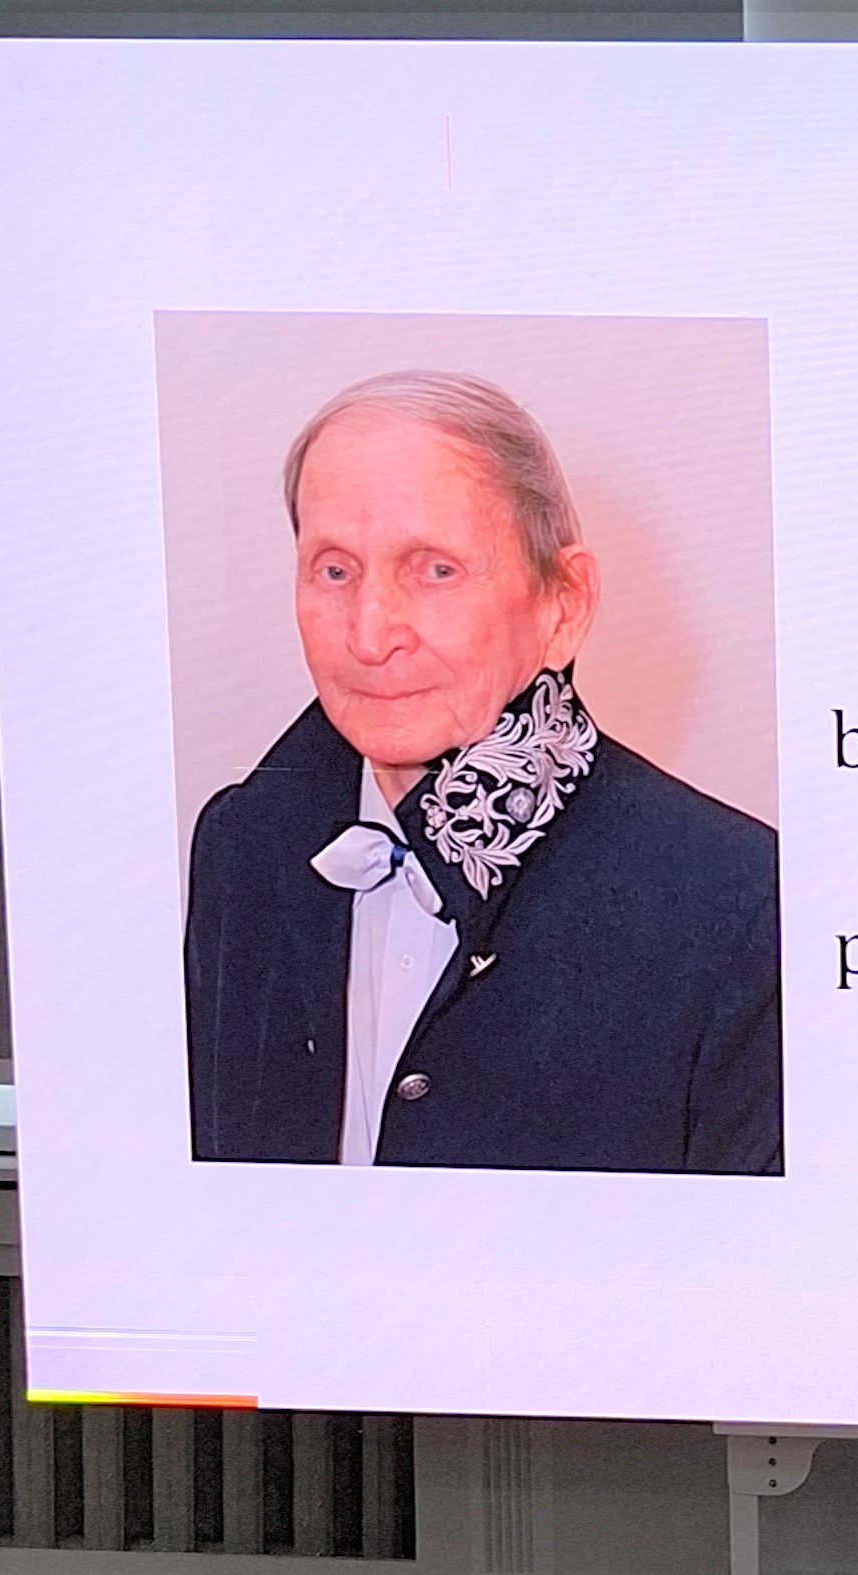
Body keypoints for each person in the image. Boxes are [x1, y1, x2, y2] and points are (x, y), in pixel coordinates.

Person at [184, 370, 781, 1174]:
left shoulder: (739, 903)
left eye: (435, 570)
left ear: (563, 605)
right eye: (335, 570)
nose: (369, 634)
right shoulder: (243, 844)